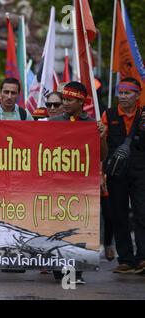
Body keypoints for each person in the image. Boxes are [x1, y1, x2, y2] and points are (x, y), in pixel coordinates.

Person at [49, 81, 107, 284]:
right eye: (63, 98)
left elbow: (102, 156)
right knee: (58, 229)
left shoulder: (92, 124)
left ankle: (75, 273)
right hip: (56, 187)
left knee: (77, 229)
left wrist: (101, 137)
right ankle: (59, 268)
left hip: (81, 188)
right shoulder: (53, 122)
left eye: (69, 100)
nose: (65, 103)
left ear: (81, 101)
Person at [101, 77, 145, 275]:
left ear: (137, 95)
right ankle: (126, 259)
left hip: (141, 172)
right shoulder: (108, 115)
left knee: (142, 214)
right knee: (118, 215)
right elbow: (101, 148)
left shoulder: (144, 115)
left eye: (128, 93)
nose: (124, 96)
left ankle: (143, 258)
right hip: (116, 173)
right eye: (122, 92)